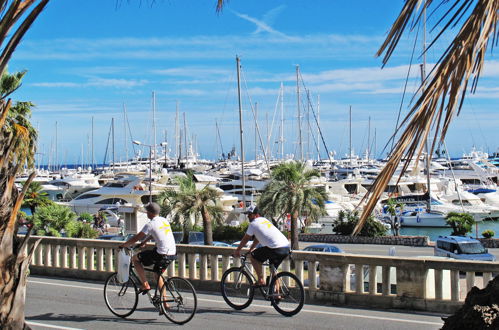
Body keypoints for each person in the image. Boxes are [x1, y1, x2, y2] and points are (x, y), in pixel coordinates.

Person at [119, 202, 176, 294]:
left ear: (149, 213)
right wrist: (144, 241)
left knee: (135, 259)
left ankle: (145, 284)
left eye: (147, 212)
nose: (146, 213)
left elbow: (136, 237)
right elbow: (156, 233)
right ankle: (164, 303)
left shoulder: (150, 224)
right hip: (172, 253)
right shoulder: (164, 220)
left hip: (161, 254)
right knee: (157, 275)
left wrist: (124, 245)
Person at [234, 205, 290, 287]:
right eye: (247, 215)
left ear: (256, 215)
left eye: (250, 214)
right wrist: (251, 249)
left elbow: (246, 238)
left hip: (275, 248)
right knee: (273, 270)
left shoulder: (253, 224)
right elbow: (257, 238)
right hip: (286, 247)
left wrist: (237, 250)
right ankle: (277, 293)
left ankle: (260, 280)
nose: (248, 216)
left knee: (253, 257)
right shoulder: (265, 220)